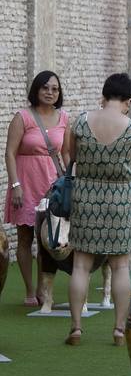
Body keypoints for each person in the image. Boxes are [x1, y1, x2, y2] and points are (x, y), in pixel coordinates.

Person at [62, 73, 131, 346]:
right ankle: (118, 330)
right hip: (119, 199)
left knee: (81, 264)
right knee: (120, 266)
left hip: (86, 195)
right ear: (128, 100)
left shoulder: (80, 121)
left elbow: (68, 154)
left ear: (103, 96)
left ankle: (76, 327)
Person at [5, 71, 67, 307]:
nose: (50, 92)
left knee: (48, 238)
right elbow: (10, 152)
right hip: (25, 183)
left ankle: (44, 287)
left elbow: (67, 153)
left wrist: (70, 179)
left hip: (51, 185)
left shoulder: (64, 118)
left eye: (55, 89)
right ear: (36, 90)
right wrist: (15, 185)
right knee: (24, 237)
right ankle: (30, 290)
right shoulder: (23, 117)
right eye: (45, 88)